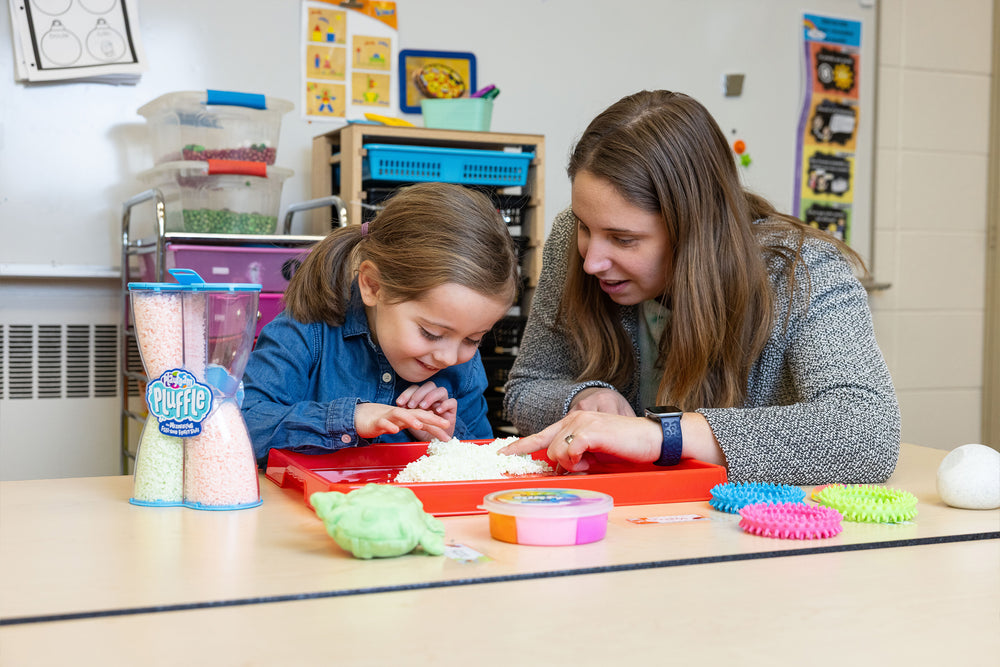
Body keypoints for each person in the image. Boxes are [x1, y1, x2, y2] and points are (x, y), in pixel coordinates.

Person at [501, 90, 900, 484]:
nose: (591, 262)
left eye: (624, 239)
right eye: (585, 227)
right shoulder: (570, 242)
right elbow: (526, 387)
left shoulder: (803, 270)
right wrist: (583, 399)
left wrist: (663, 435)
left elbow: (868, 432)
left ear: (694, 230)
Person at [242, 182, 519, 463]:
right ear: (373, 286)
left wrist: (447, 437)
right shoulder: (305, 330)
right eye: (431, 333)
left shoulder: (462, 362)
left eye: (473, 339)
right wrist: (350, 419)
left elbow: (484, 461)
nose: (449, 356)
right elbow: (243, 425)